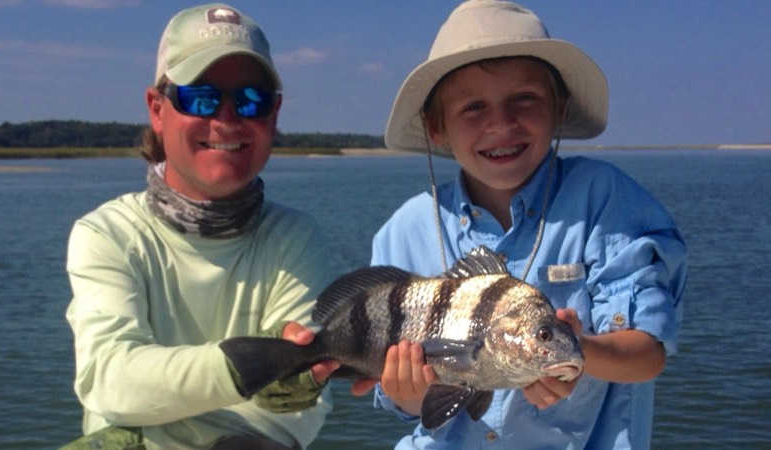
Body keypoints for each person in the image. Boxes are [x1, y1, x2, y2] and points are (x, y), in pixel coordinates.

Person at [361, 1, 687, 449]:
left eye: (524, 99)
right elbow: (401, 402)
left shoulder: (602, 199)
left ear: (559, 107)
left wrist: (574, 353)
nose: (501, 122)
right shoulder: (405, 230)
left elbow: (648, 354)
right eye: (473, 107)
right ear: (436, 127)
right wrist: (407, 393)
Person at [63, 4, 338, 449]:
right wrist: (256, 362)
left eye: (252, 99)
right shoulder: (107, 233)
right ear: (157, 109)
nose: (227, 119)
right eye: (202, 97)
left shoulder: (296, 238)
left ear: (274, 114)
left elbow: (295, 407)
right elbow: (109, 378)